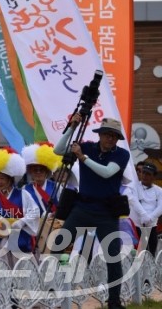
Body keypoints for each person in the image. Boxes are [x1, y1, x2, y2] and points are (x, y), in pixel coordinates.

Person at [54, 114, 130, 309]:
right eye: (106, 134)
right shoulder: (86, 146)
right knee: (57, 245)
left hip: (106, 212)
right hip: (83, 208)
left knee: (113, 256)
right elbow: (59, 149)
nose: (110, 138)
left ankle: (114, 301)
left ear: (117, 139)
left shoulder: (121, 154)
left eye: (114, 136)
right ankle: (52, 290)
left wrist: (82, 157)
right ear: (100, 135)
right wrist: (72, 126)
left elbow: (107, 172)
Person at [0, 148, 39, 260]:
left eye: (2, 178)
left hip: (20, 240)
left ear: (10, 179)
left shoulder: (23, 194)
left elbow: (35, 212)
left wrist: (21, 222)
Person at [22, 143, 62, 217]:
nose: (38, 172)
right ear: (30, 172)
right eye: (35, 170)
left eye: (41, 170)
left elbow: (63, 208)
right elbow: (25, 211)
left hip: (54, 225)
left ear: (47, 171)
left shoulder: (57, 187)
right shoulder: (25, 189)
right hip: (35, 226)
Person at [134, 161, 162, 255]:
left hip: (151, 227)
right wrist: (143, 214)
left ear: (154, 177)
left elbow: (160, 207)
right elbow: (134, 201)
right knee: (137, 254)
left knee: (150, 254)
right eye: (143, 173)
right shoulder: (134, 187)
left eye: (148, 174)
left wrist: (150, 217)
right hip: (136, 227)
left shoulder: (159, 190)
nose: (145, 176)